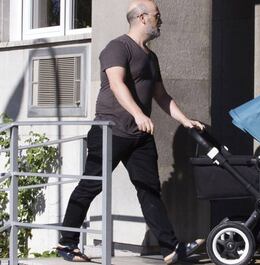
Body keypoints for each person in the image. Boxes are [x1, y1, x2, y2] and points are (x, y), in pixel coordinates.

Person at [56, 0, 205, 263]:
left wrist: (185, 120)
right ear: (142, 17)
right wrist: (138, 114)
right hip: (110, 130)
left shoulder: (151, 56)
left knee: (149, 189)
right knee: (90, 186)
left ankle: (171, 249)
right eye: (157, 15)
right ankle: (67, 243)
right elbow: (116, 84)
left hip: (139, 137)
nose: (161, 20)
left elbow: (161, 95)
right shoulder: (118, 47)